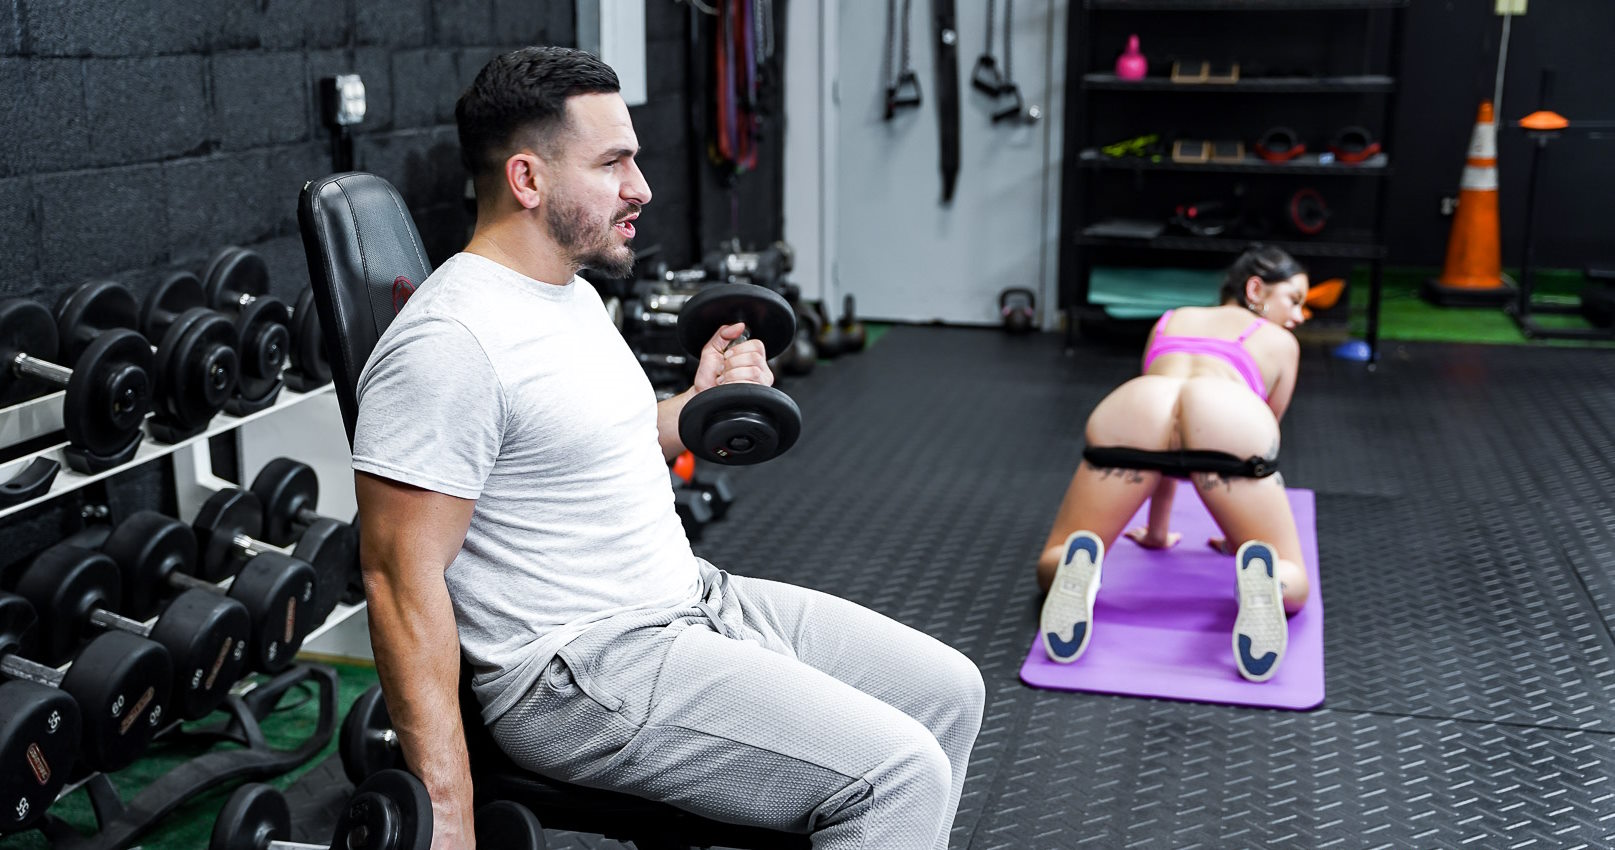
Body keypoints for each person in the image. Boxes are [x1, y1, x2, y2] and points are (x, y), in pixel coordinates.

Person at [348, 46, 984, 850]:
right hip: (581, 672)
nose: (641, 187)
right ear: (527, 179)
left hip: (691, 601)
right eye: (612, 163)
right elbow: (398, 576)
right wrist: (448, 814)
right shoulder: (451, 342)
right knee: (898, 773)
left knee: (950, 692)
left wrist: (694, 405)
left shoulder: (567, 293)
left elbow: (590, 441)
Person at [1036, 246, 1311, 683]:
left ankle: (1078, 568)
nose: (1298, 315)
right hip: (1228, 415)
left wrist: (1157, 533)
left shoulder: (1171, 318)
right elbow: (1261, 439)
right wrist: (1235, 535)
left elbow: (1163, 447)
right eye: (1293, 300)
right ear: (1256, 289)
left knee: (1054, 557)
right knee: (1294, 582)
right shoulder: (1281, 342)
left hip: (1135, 405)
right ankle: (1270, 581)